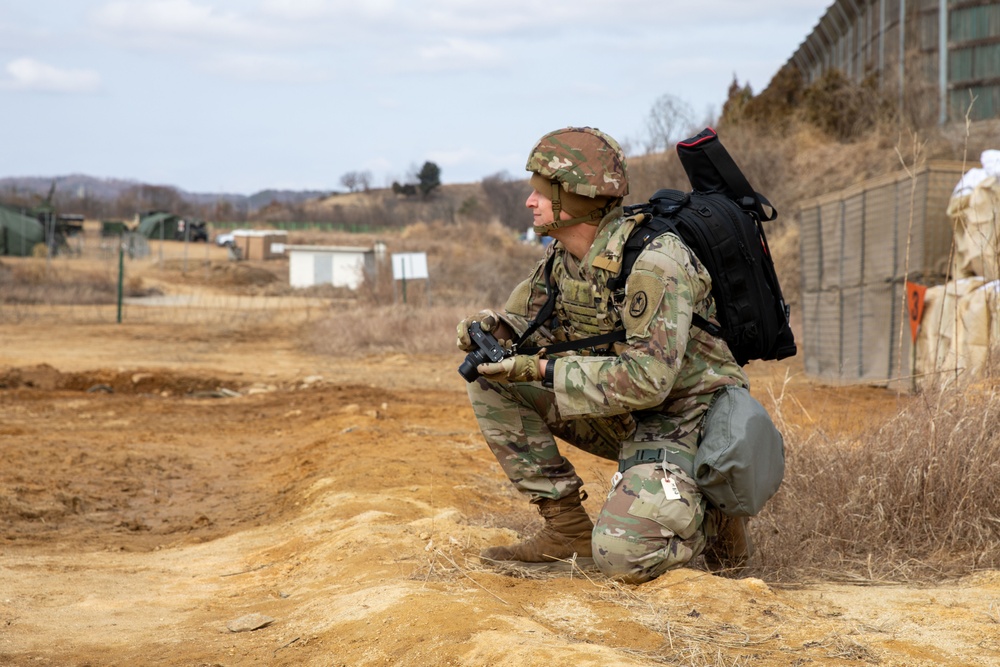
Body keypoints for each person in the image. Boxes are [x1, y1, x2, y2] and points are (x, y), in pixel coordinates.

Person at [457, 126, 753, 584]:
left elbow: (649, 379)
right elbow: (524, 323)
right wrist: (491, 328)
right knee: (491, 380)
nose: (530, 202)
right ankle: (567, 530)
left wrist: (540, 368)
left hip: (688, 423)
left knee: (621, 557)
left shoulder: (655, 263)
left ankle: (715, 509)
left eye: (541, 192)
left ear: (577, 197)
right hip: (625, 414)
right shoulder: (564, 259)